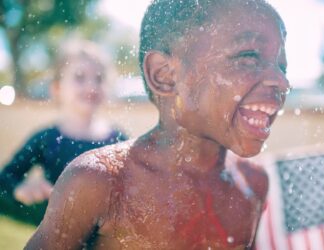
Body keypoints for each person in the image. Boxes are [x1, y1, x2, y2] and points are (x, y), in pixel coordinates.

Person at [26, 0, 290, 249]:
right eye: (248, 56)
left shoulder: (252, 184)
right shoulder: (101, 183)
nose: (281, 82)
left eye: (282, 66)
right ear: (164, 75)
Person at [0, 39, 128, 225]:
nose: (91, 86)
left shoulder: (118, 141)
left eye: (99, 79)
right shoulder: (46, 139)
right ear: (57, 88)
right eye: (79, 77)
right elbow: (4, 179)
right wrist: (20, 189)